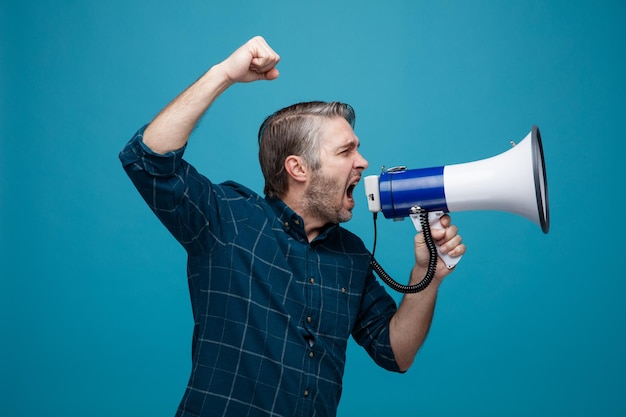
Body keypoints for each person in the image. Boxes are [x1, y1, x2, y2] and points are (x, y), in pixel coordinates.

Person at [119, 36, 465, 417]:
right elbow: (147, 160)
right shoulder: (227, 219)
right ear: (298, 168)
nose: (363, 162)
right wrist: (224, 75)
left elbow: (395, 352)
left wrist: (428, 274)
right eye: (345, 151)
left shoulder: (351, 254)